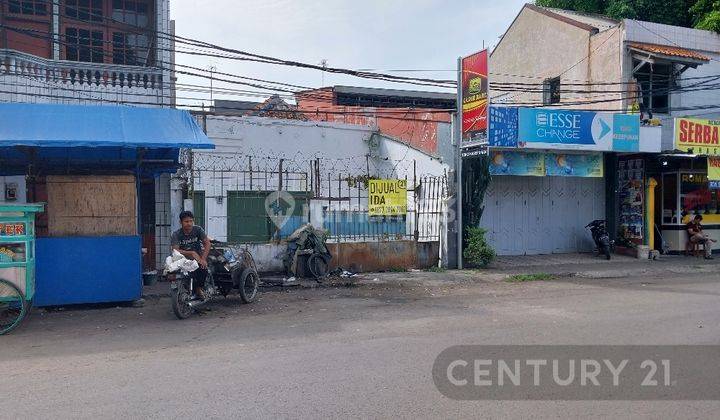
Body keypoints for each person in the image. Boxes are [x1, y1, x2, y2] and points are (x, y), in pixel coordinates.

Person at [171, 211, 211, 297]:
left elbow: (207, 243)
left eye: (191, 221)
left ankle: (199, 288)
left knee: (203, 268)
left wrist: (203, 259)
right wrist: (191, 253)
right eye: (186, 221)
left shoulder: (198, 230)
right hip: (183, 260)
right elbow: (175, 250)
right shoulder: (176, 234)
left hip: (198, 258)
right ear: (180, 222)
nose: (189, 223)